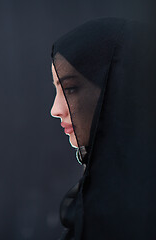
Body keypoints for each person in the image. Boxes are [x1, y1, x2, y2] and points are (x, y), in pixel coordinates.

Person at [50, 18, 156, 239]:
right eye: (57, 89)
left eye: (69, 89)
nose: (55, 109)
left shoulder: (138, 202)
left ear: (117, 88)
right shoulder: (101, 189)